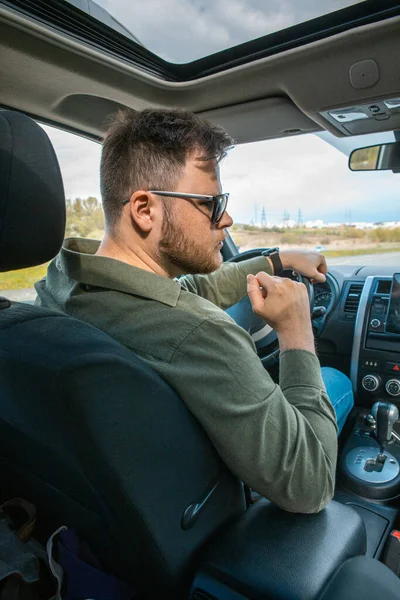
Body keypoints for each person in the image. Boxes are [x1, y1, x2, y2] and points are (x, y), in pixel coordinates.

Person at [35, 108, 353, 514]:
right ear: (145, 209)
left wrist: (280, 258)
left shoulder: (64, 278)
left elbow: (192, 287)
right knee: (335, 381)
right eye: (211, 203)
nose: (227, 218)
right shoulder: (202, 336)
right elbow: (310, 485)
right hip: (214, 518)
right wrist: (296, 332)